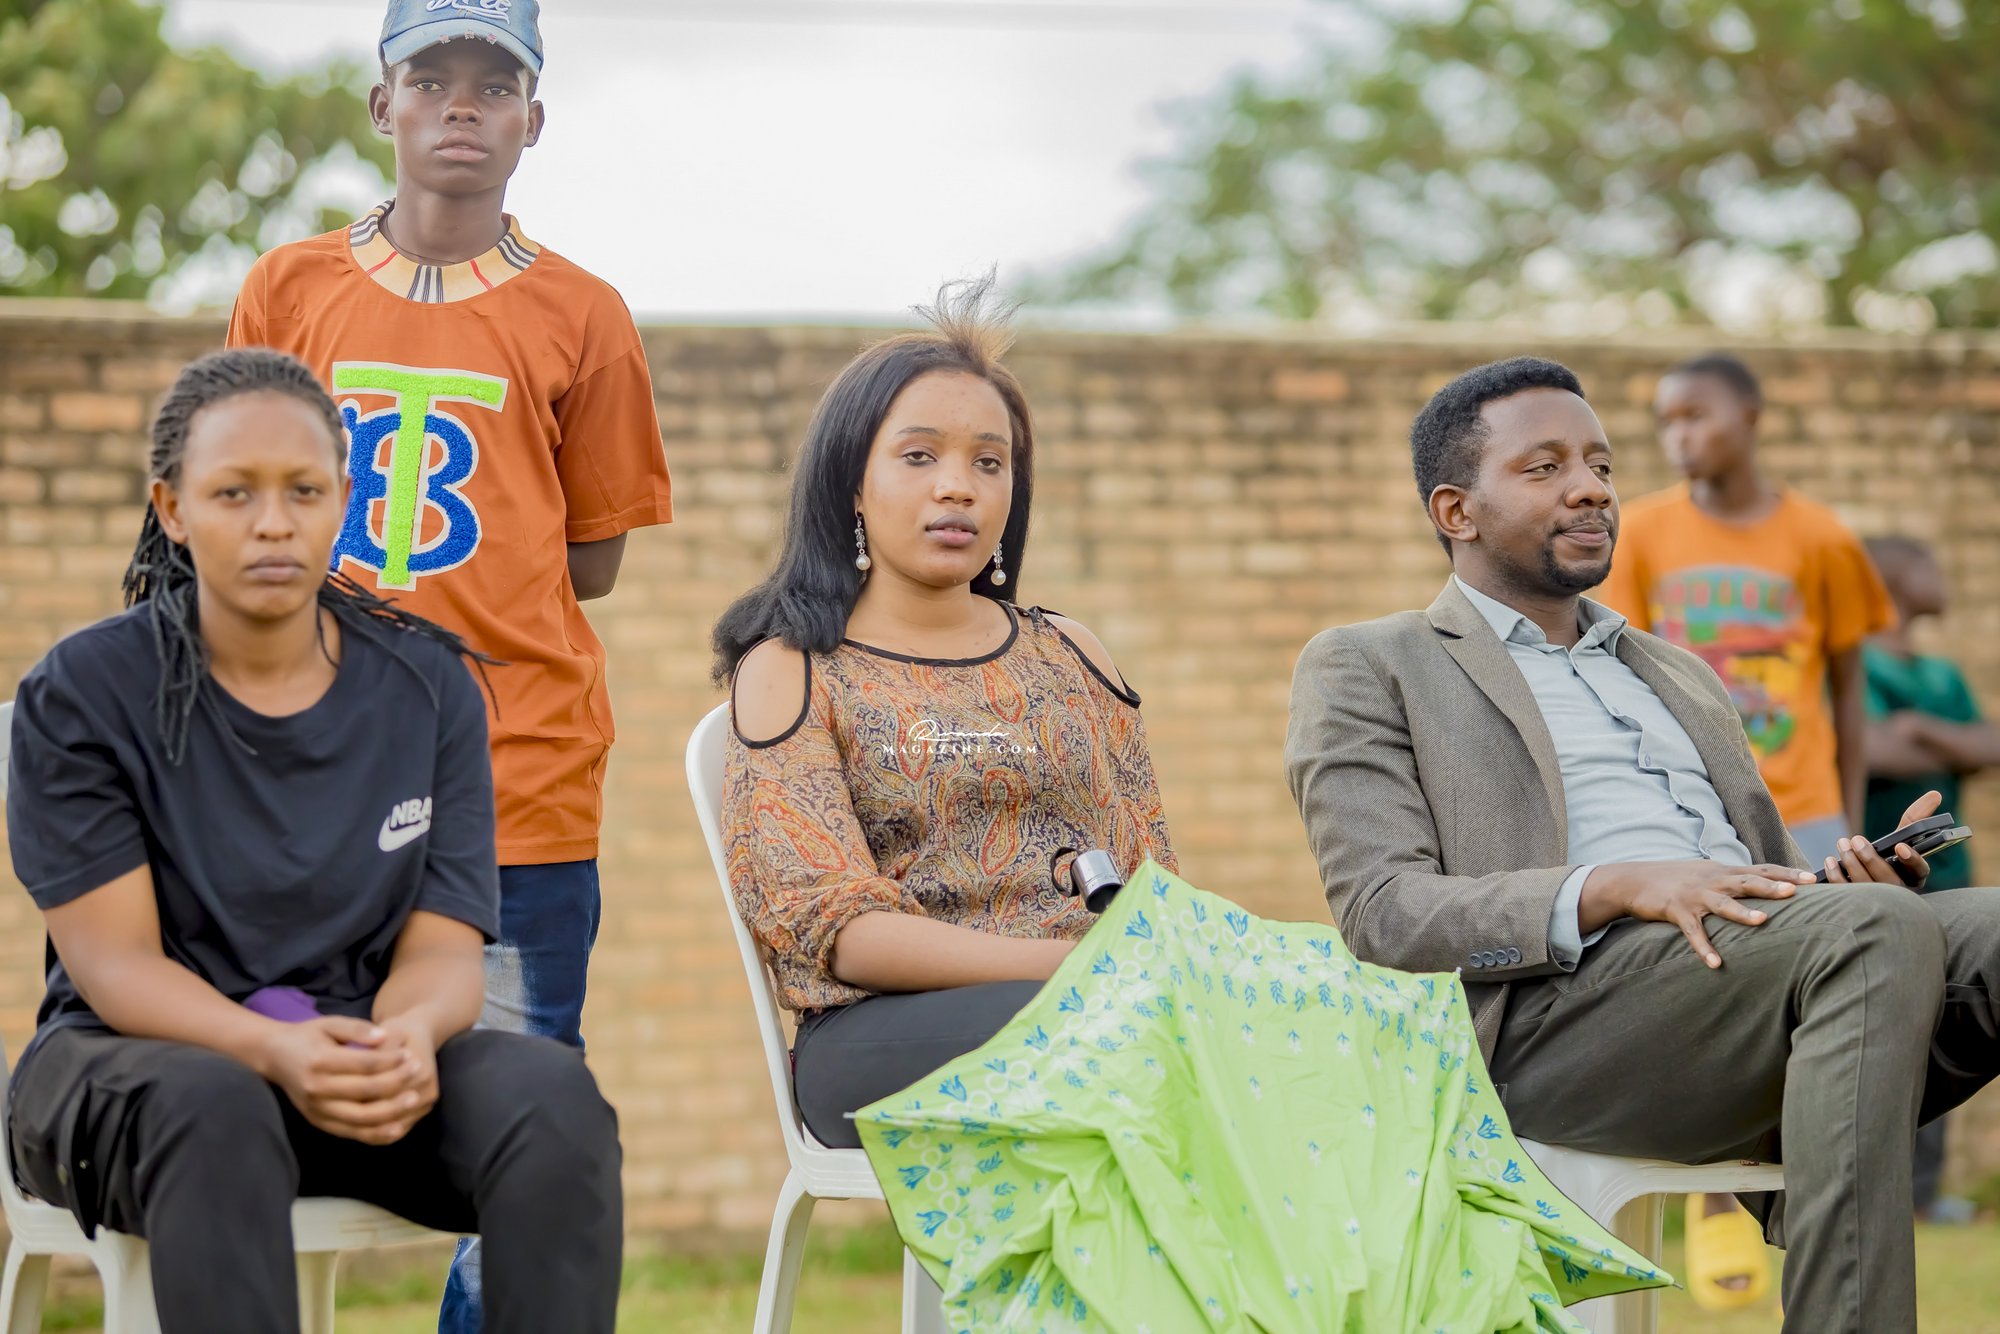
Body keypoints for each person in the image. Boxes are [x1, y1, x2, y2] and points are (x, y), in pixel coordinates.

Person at [717, 286, 1661, 1331]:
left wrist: (1149, 964)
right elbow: (833, 929)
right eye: (918, 456)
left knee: (1370, 1013)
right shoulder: (795, 667)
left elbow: (1145, 881)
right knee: (1163, 1034)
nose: (958, 486)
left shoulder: (1069, 654)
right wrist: (1073, 971)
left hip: (1118, 1001)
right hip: (883, 1037)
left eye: (990, 461)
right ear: (850, 482)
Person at [1285, 355, 2000, 1334]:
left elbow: (1758, 875)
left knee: (1939, 923)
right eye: (1543, 467)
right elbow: (1382, 914)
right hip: (1555, 1021)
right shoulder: (1371, 663)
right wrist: (1613, 884)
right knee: (1870, 931)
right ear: (1456, 511)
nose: (1589, 487)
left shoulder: (1673, 669)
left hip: (1754, 979)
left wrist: (1839, 883)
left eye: (1599, 464)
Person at [2, 350, 622, 1334]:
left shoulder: (427, 686)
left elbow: (443, 950)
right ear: (171, 508)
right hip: (137, 1067)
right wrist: (271, 1046)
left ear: (344, 501)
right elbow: (117, 967)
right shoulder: (84, 693)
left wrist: (406, 1039)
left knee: (551, 1098)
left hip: (351, 1056)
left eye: (304, 490)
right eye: (233, 492)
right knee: (217, 1105)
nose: (273, 521)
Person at [224, 2, 671, 1321]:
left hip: (516, 765)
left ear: (534, 118)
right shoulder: (287, 289)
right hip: (303, 772)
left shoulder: (585, 314)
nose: (461, 104)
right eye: (430, 77)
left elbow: (592, 556)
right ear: (384, 106)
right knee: (254, 1087)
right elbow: (226, 501)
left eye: (493, 81)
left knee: (526, 1119)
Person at [1597, 352, 1894, 866]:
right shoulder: (1638, 534)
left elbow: (1848, 690)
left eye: (1695, 417)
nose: (1678, 437)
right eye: (1666, 422)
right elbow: (1625, 683)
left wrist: (1849, 820)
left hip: (1805, 809)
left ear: (1750, 417)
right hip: (1693, 807)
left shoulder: (1823, 538)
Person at [1863, 535, 1996, 1224]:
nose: (1943, 577)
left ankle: (1922, 1192)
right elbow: (1875, 751)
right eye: (1928, 565)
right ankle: (1886, 1189)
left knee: (1946, 1027)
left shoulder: (1939, 677)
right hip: (1881, 877)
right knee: (1892, 1031)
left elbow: (1992, 746)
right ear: (1892, 579)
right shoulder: (1859, 664)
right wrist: (1943, 743)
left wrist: (1917, 727)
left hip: (1953, 880)